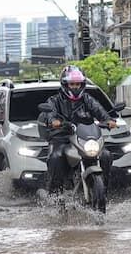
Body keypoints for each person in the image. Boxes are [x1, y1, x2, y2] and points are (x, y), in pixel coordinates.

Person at [37, 65, 117, 195]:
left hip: (84, 138)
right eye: (72, 84)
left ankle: (103, 189)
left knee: (106, 155)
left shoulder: (87, 99)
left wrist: (108, 120)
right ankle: (55, 194)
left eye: (78, 84)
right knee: (56, 157)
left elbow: (99, 110)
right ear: (65, 84)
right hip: (62, 137)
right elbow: (49, 113)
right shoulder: (55, 100)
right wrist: (53, 121)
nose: (75, 87)